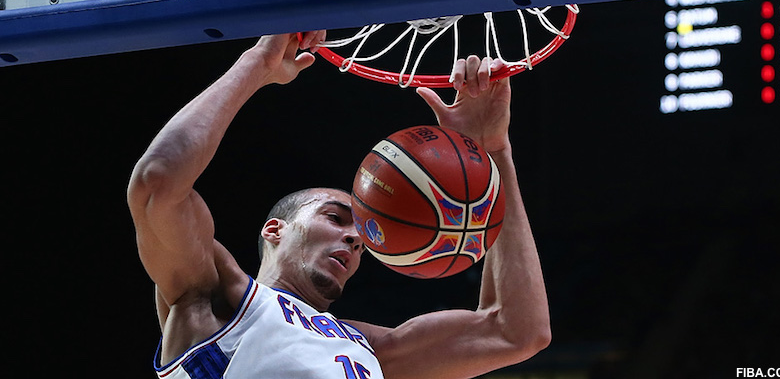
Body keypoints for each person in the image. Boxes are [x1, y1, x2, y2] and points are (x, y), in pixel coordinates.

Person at [127, 31, 551, 379]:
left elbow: (517, 331)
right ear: (275, 230)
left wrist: (491, 153)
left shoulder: (371, 348)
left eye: (364, 239)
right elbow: (157, 185)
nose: (354, 238)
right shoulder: (215, 297)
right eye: (335, 216)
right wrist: (257, 65)